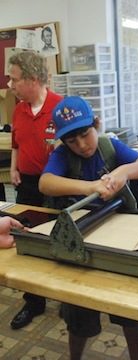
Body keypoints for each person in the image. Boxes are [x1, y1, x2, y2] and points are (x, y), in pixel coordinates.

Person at [39, 96, 138, 360]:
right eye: (72, 140)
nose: (81, 145)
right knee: (79, 315)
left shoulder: (109, 147)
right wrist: (90, 187)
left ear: (97, 124)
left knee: (129, 314)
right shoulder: (63, 156)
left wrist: (124, 171)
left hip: (120, 239)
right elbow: (45, 183)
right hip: (81, 244)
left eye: (85, 134)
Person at [8, 51, 63, 330]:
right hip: (27, 185)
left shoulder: (60, 106)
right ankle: (34, 301)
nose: (10, 84)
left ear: (31, 79)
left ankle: (67, 297)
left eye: (14, 79)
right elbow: (16, 143)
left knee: (59, 239)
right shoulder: (18, 109)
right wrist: (14, 169)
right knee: (27, 240)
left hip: (56, 187)